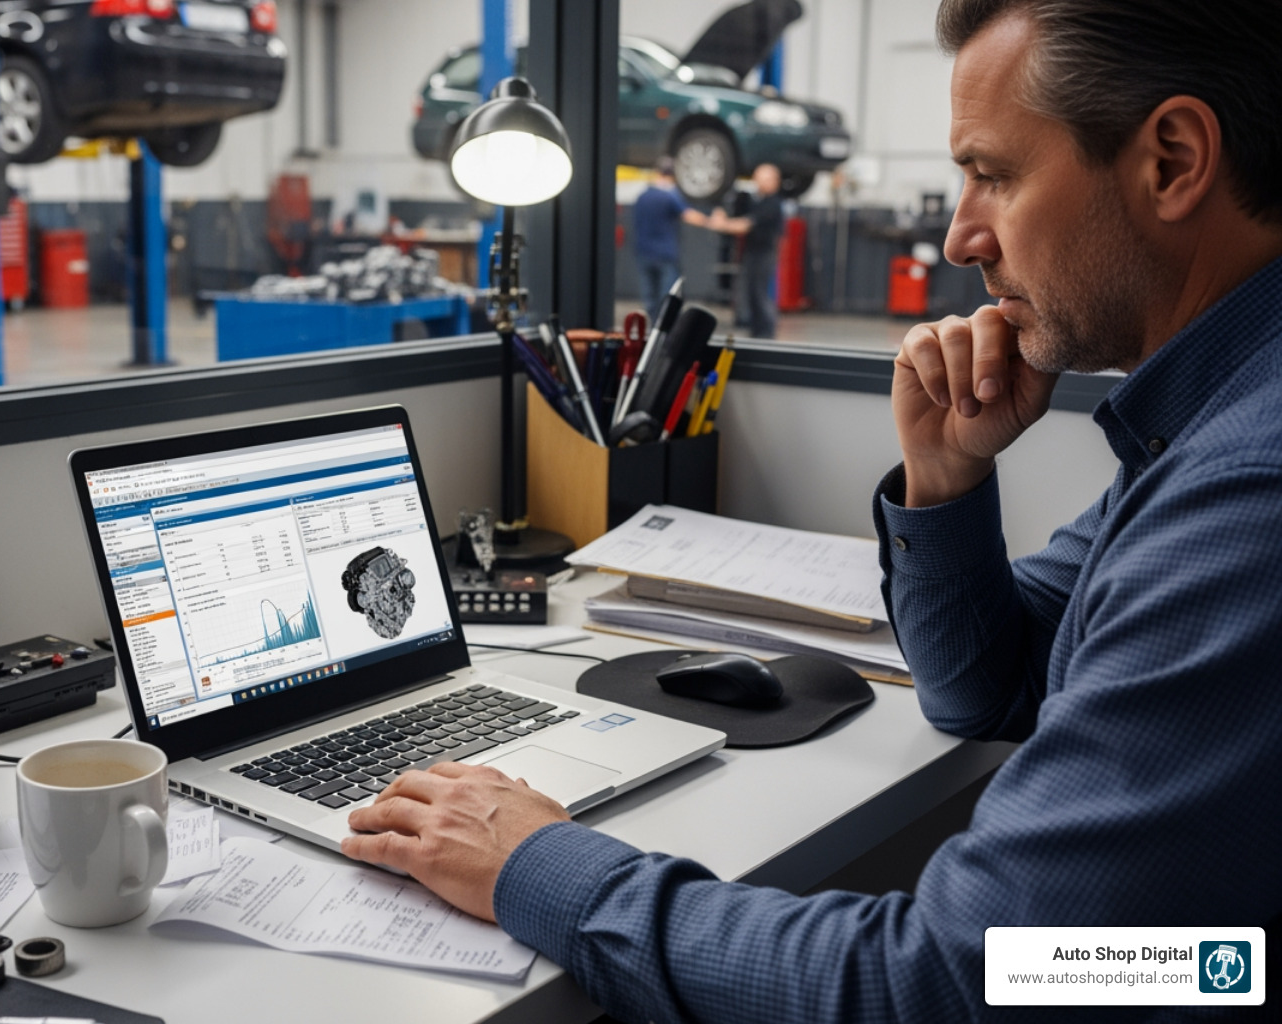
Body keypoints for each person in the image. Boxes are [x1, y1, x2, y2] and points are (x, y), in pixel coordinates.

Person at [342, 1, 1282, 1021]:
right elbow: (987, 688)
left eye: (994, 174)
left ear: (1174, 160)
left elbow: (943, 983)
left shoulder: (1247, 493)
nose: (961, 234)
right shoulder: (1206, 420)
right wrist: (946, 479)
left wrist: (539, 861)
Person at [711, 163, 784, 338]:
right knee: (750, 293)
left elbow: (745, 225)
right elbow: (736, 213)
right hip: (750, 252)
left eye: (763, 179)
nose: (758, 183)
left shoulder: (773, 204)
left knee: (760, 294)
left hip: (764, 253)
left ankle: (766, 332)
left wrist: (722, 225)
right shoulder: (754, 200)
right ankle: (756, 330)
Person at [631, 156, 710, 317]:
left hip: (643, 252)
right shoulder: (670, 195)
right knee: (667, 299)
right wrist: (711, 221)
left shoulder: (643, 195)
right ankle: (666, 334)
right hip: (665, 254)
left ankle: (654, 331)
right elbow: (689, 216)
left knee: (650, 299)